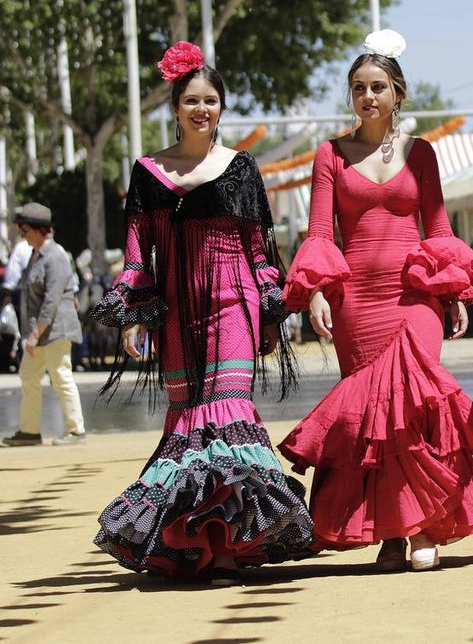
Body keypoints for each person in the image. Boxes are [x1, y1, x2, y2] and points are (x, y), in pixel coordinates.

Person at [88, 42, 314, 584]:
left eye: (211, 100)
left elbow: (259, 250)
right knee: (187, 419)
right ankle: (193, 546)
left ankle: (233, 546)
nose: (201, 109)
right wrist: (136, 316)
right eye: (191, 100)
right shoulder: (147, 172)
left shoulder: (241, 169)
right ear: (174, 106)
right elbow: (138, 251)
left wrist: (268, 315)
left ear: (222, 107)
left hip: (232, 303)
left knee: (226, 411)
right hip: (174, 314)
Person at [278, 29, 473, 572]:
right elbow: (320, 232)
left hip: (415, 297)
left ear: (397, 92)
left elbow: (439, 225)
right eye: (359, 88)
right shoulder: (330, 154)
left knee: (416, 405)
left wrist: (453, 294)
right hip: (357, 301)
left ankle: (424, 525)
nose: (368, 96)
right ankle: (391, 535)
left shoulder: (420, 153)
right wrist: (317, 296)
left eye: (378, 86)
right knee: (371, 419)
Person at [0, 203, 87, 447]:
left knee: (61, 376)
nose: (22, 235)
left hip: (55, 330)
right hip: (38, 333)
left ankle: (76, 430)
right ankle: (29, 431)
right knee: (28, 375)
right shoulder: (34, 256)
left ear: (39, 229)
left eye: (24, 229)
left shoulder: (55, 256)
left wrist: (35, 334)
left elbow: (52, 299)